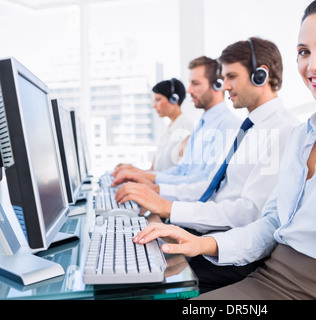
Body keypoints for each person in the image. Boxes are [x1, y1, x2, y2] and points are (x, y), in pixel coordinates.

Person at [132, 0, 316, 300]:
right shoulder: (303, 133)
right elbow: (274, 222)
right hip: (271, 275)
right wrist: (205, 244)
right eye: (304, 52)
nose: (312, 65)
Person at [116, 37, 299, 292]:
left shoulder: (283, 130)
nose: (225, 87)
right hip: (215, 231)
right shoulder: (250, 127)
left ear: (260, 75)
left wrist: (168, 207)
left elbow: (249, 214)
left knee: (148, 284)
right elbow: (212, 188)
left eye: (232, 77)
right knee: (134, 253)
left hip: (235, 249)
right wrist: (167, 207)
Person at [112, 56, 241, 186]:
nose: (189, 90)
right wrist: (138, 175)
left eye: (195, 83)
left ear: (218, 85)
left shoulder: (228, 126)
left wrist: (154, 188)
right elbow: (181, 171)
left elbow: (204, 182)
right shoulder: (202, 124)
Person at [150, 78, 194, 171]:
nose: (154, 105)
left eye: (158, 100)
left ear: (174, 99)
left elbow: (183, 172)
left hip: (167, 184)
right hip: (155, 183)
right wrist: (130, 170)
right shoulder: (166, 129)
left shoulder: (186, 127)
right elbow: (153, 170)